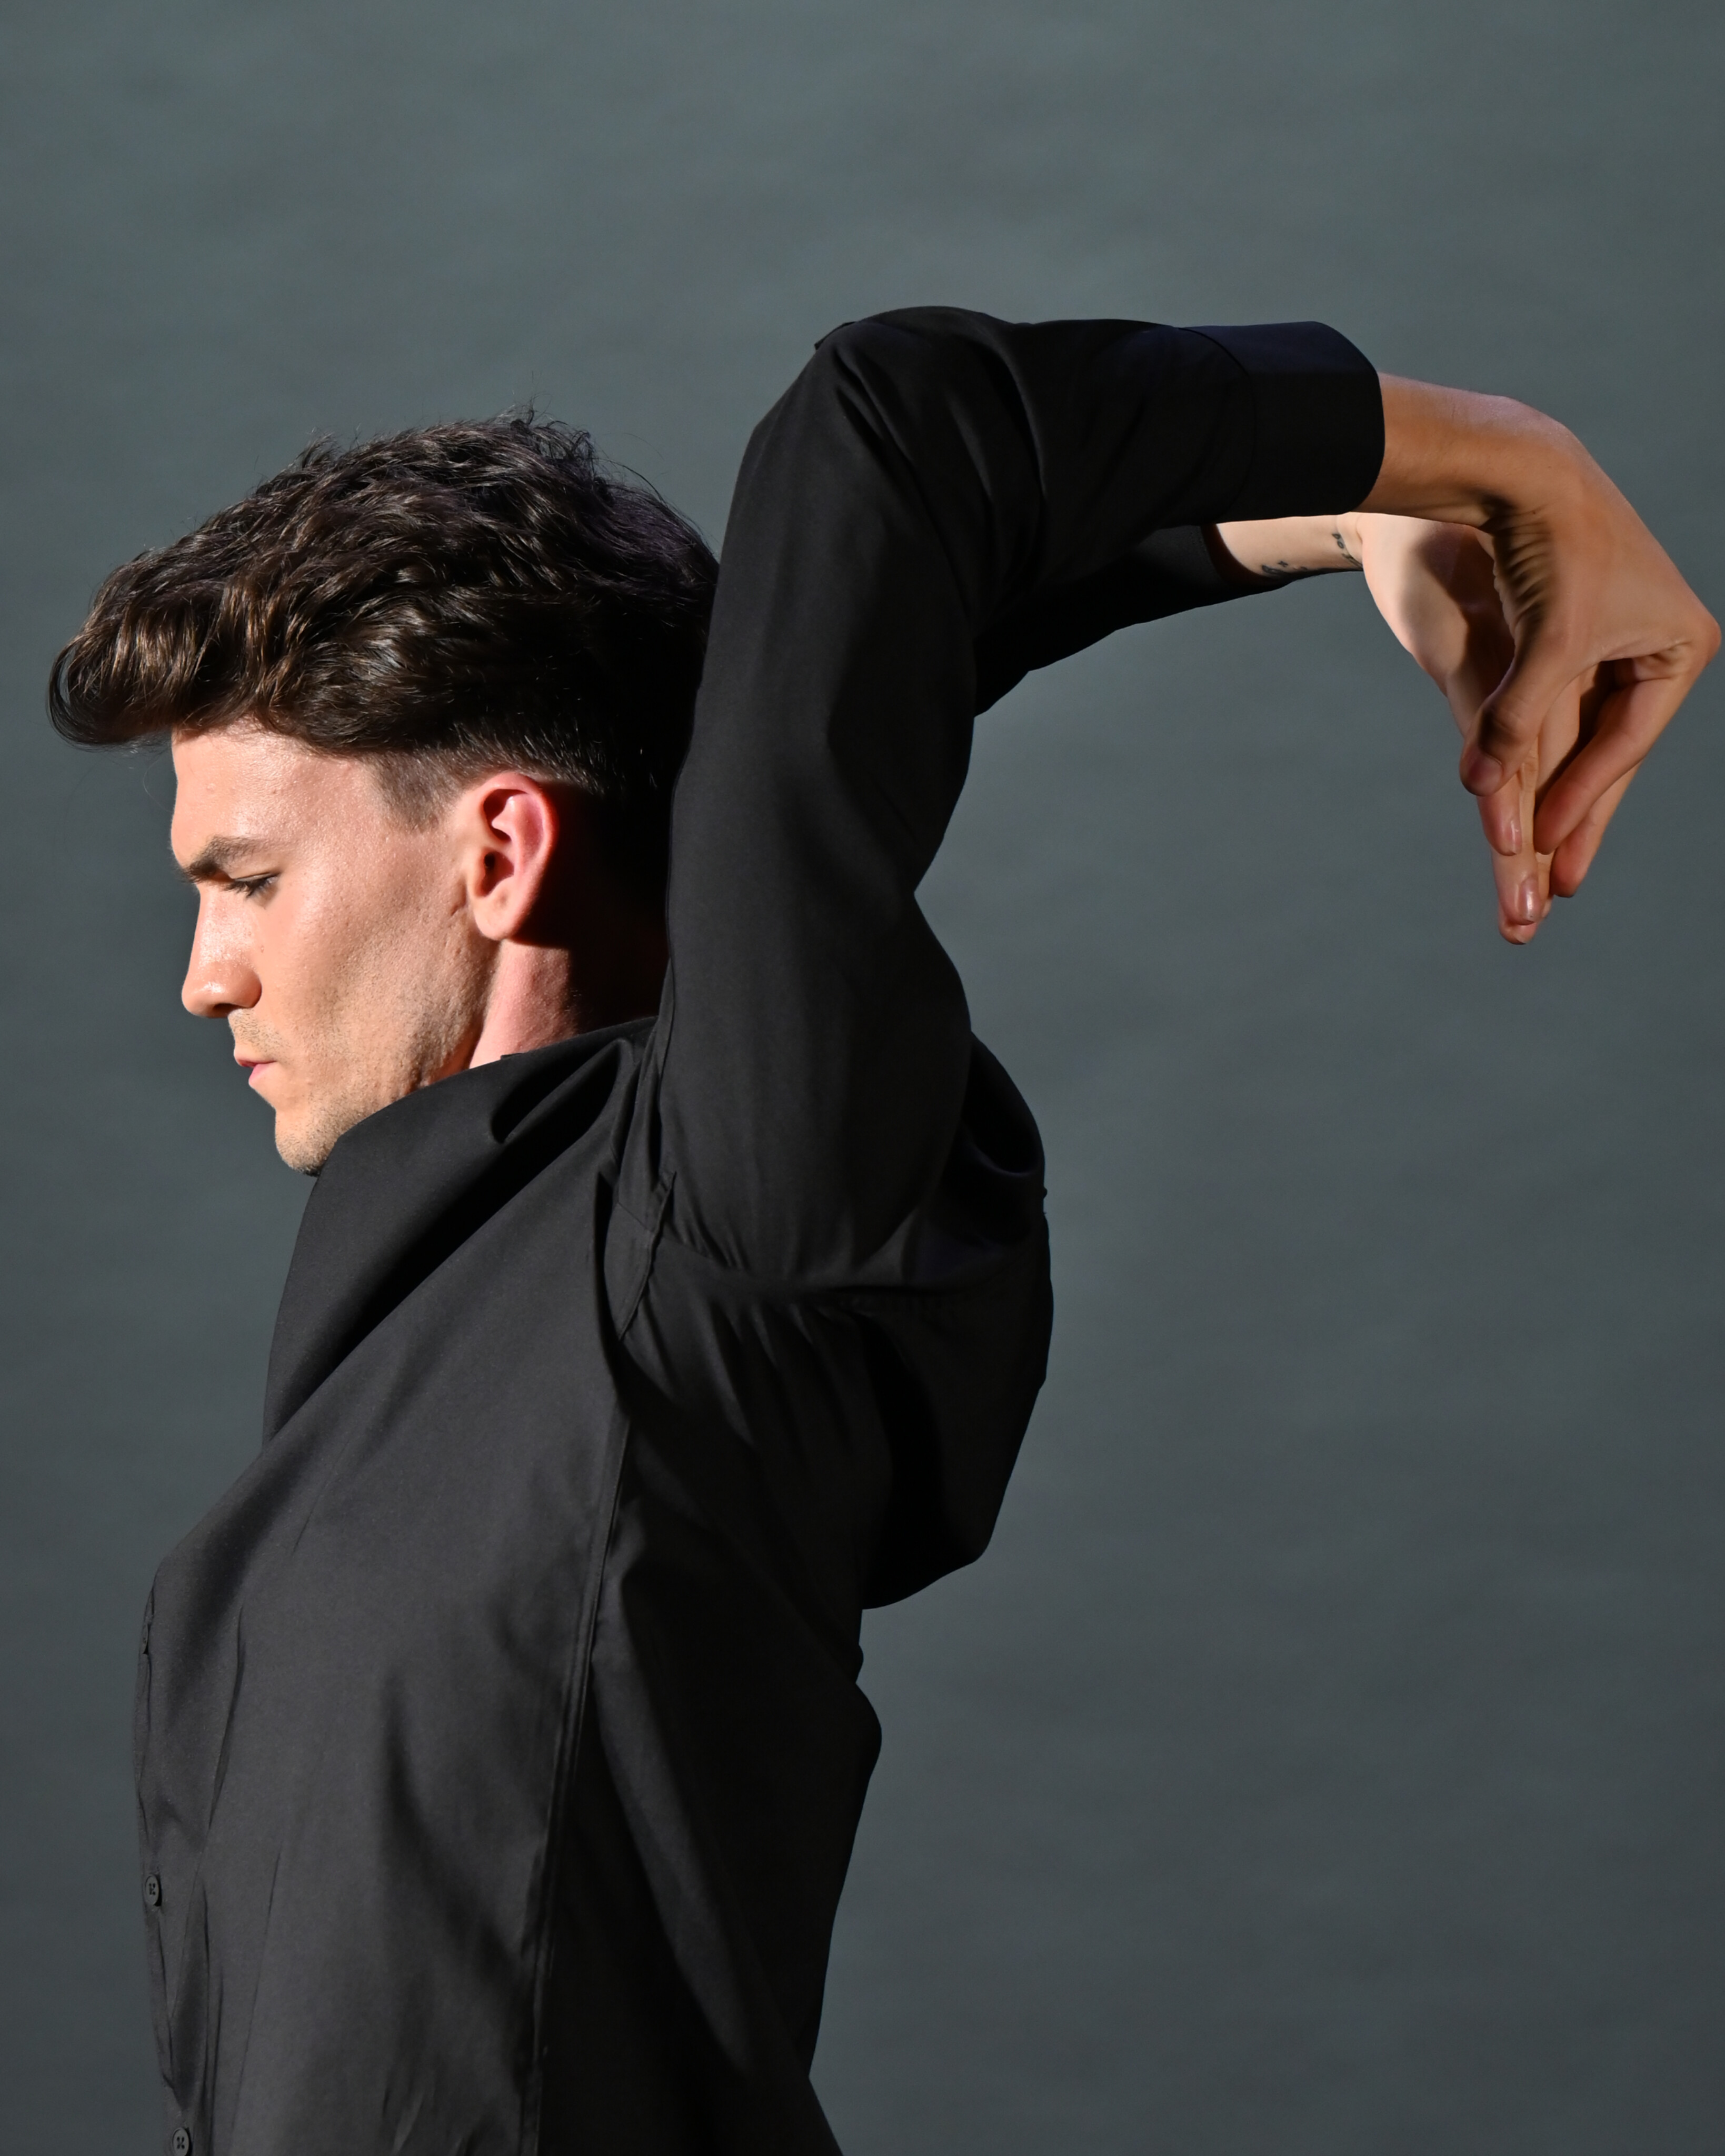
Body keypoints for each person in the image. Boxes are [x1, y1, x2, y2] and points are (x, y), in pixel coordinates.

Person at [49, 310, 1714, 2156]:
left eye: (249, 881)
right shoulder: (415, 1322)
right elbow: (749, 728)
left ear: (502, 852)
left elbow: (884, 446)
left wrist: (1488, 460)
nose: (204, 976)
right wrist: (1325, 522)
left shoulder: (713, 1219)